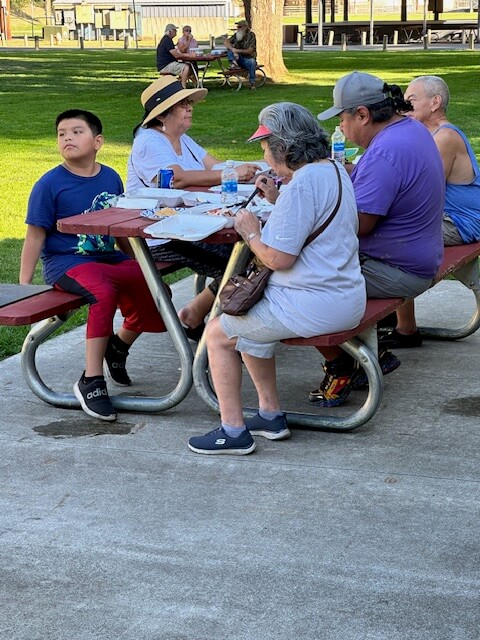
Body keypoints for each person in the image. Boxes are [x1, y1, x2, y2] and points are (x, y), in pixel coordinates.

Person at [187, 102, 367, 455]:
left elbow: (279, 259)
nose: (263, 152)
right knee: (251, 329)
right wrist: (277, 197)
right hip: (343, 294)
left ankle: (232, 430)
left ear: (283, 147)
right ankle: (269, 414)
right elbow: (313, 218)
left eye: (265, 145)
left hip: (315, 302)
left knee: (217, 333)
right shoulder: (332, 169)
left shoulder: (303, 185)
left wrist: (251, 232)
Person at [20, 109, 167, 422]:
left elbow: (120, 226)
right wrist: (25, 287)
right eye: (62, 134)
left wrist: (139, 260)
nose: (67, 138)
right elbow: (34, 236)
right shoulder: (49, 185)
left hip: (108, 257)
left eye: (76, 131)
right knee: (102, 291)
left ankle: (118, 346)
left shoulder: (110, 177)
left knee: (156, 286)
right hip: (67, 262)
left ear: (98, 141)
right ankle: (91, 379)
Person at [309, 71, 445, 407]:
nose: (340, 126)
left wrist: (304, 208)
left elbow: (360, 225)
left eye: (341, 117)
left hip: (396, 268)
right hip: (418, 257)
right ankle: (376, 353)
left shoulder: (386, 150)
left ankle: (342, 365)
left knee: (291, 280)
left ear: (362, 114)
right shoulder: (410, 129)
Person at [126, 76, 260, 337]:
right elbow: (177, 178)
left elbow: (216, 164)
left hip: (191, 226)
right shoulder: (149, 142)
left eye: (188, 102)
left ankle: (194, 314)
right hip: (160, 234)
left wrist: (262, 166)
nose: (190, 107)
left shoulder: (182, 138)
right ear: (162, 114)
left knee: (250, 257)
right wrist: (233, 174)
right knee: (244, 264)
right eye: (182, 104)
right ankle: (220, 335)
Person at [379, 74, 480, 349]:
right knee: (389, 230)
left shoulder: (444, 137)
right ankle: (394, 318)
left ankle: (405, 328)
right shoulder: (427, 134)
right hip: (446, 216)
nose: (405, 105)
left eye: (412, 100)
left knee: (393, 236)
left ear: (435, 102)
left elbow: (421, 189)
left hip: (462, 222)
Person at [223, 19, 258, 91]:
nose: (238, 29)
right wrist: (233, 50)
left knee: (252, 62)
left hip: (247, 59)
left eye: (240, 27)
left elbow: (250, 51)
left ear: (245, 27)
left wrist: (237, 51)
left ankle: (252, 83)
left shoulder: (251, 35)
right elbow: (226, 42)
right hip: (237, 58)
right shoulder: (236, 35)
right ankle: (234, 63)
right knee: (229, 49)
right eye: (237, 27)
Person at [156, 23, 191, 88]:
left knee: (188, 66)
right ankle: (183, 86)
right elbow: (176, 55)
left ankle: (179, 83)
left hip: (165, 64)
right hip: (166, 66)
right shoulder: (167, 40)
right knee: (186, 67)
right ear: (170, 31)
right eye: (175, 30)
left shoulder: (166, 39)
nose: (176, 32)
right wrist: (189, 55)